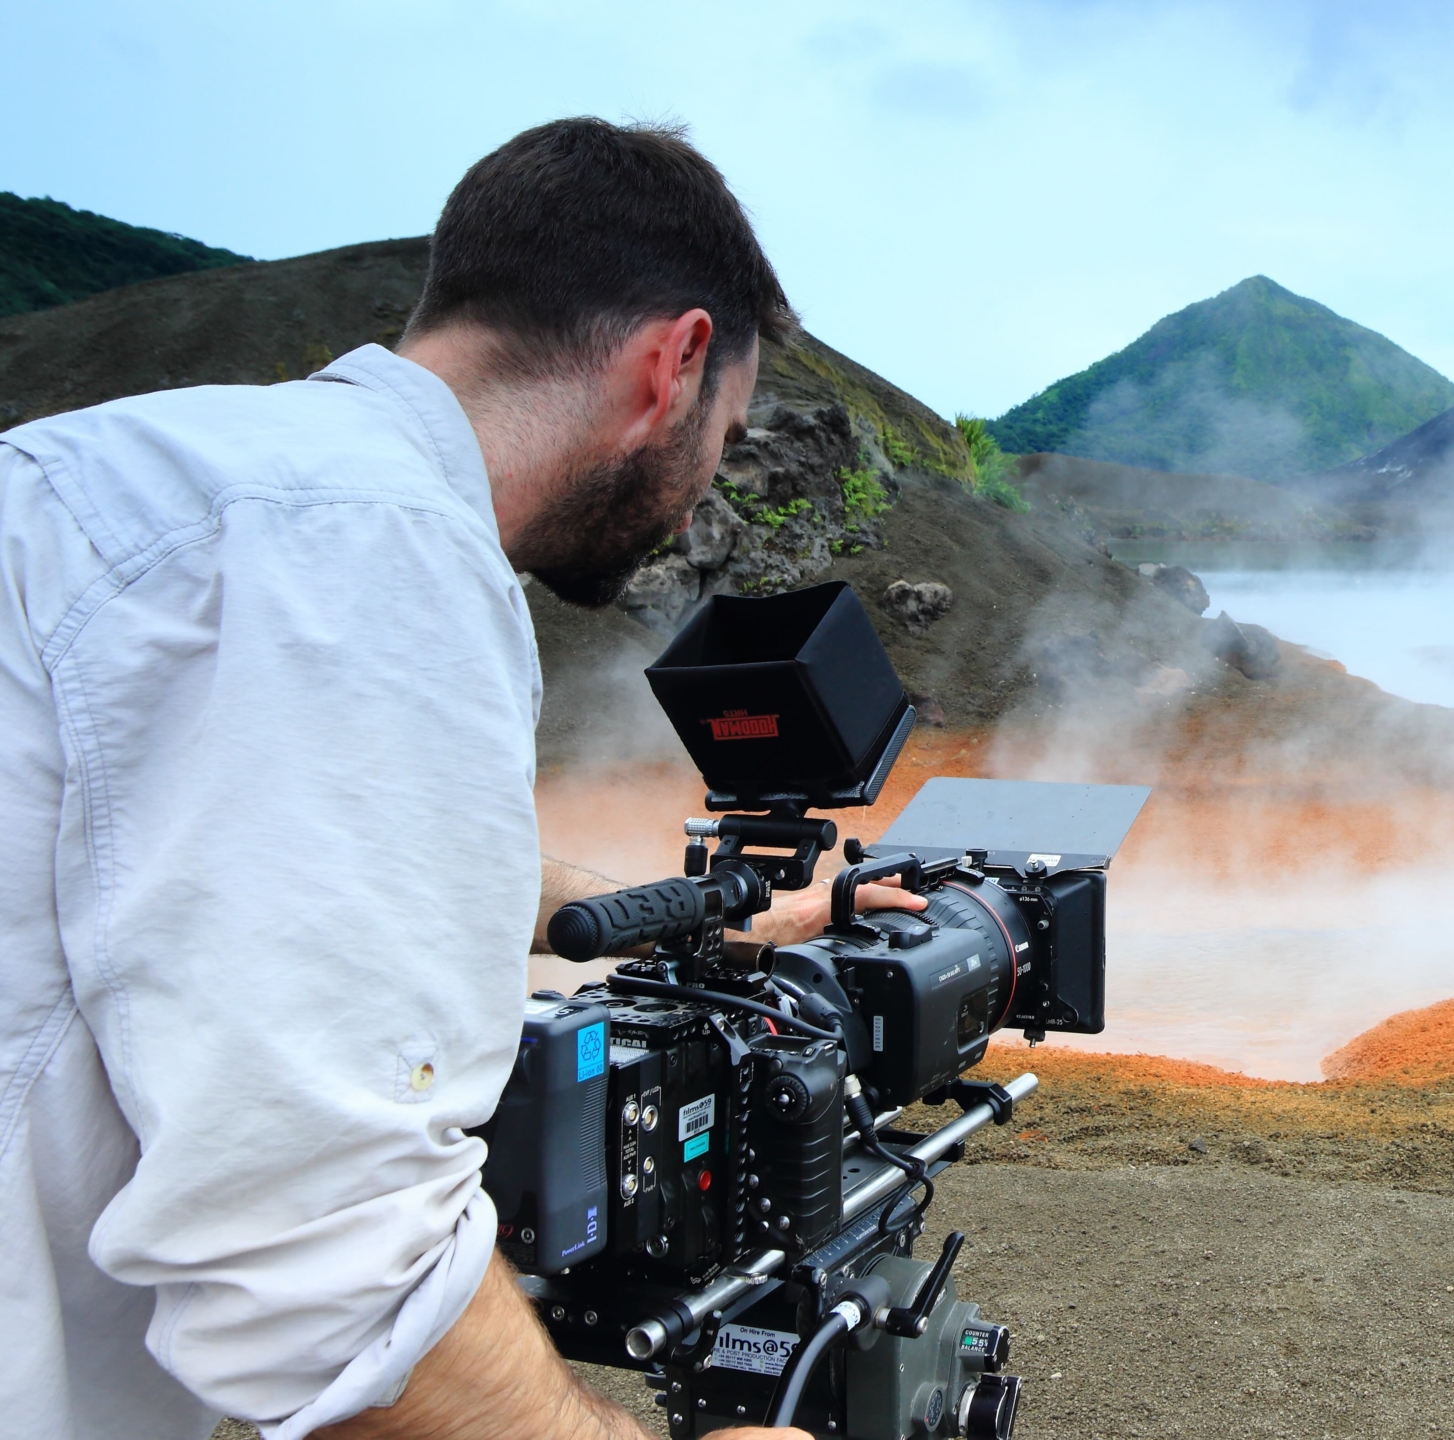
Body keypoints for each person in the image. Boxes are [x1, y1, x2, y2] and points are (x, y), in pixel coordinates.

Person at [0, 117, 915, 1439]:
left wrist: (722, 916)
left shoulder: (132, 478)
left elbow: (276, 862)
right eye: (731, 425)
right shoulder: (368, 564)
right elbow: (323, 1280)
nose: (712, 471)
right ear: (678, 364)